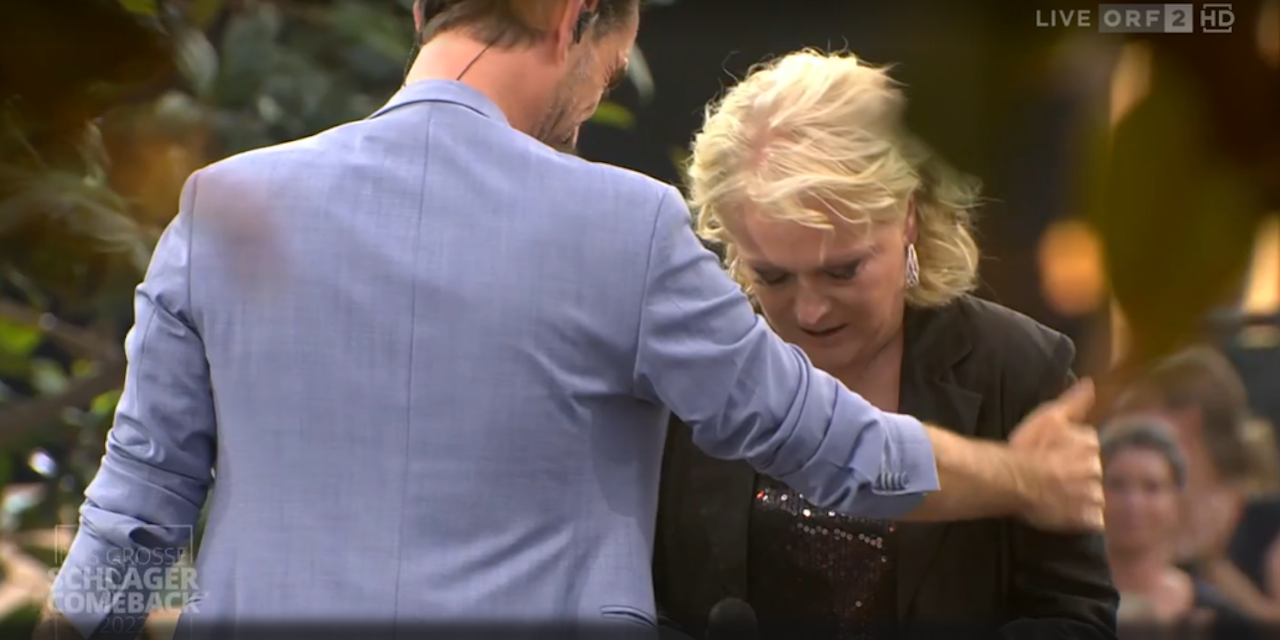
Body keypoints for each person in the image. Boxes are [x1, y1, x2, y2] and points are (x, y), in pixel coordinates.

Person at [39, 2, 1103, 638]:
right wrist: (1017, 476)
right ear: (572, 21)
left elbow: (134, 521)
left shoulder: (219, 206)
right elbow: (826, 447)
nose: (597, 98)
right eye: (610, 60)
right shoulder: (626, 226)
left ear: (421, 15)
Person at [652, 50, 1117, 640]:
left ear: (909, 218)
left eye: (842, 271)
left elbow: (1078, 618)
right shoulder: (699, 367)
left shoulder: (1017, 367)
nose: (811, 310)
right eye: (773, 276)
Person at [1111, 345, 1280, 622]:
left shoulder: (1268, 525)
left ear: (1189, 419)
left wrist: (1213, 571)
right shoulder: (1133, 516)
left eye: (1139, 410)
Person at [1101, 418, 1256, 639]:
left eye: (1151, 487)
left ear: (1176, 500)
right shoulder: (1063, 607)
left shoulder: (1219, 619)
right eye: (1117, 485)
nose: (1133, 504)